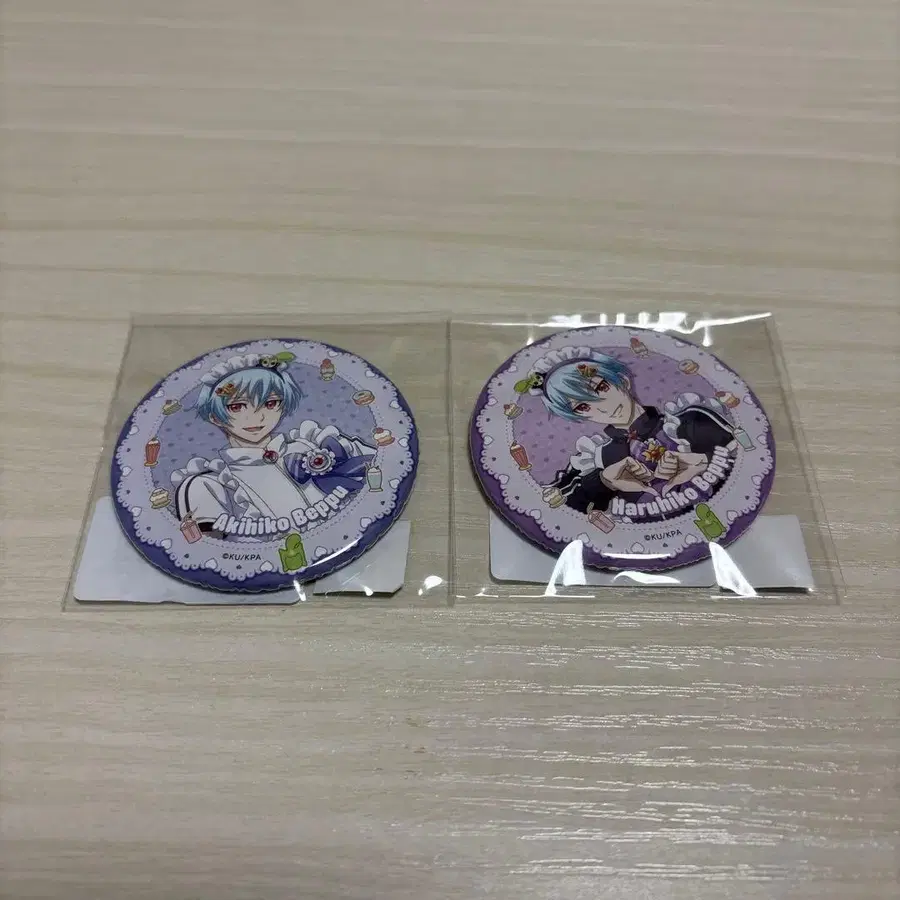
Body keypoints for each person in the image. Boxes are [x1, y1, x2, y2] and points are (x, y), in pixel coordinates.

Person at [171, 353, 375, 535]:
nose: (257, 417)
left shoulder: (313, 445)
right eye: (237, 406)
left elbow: (382, 467)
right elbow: (210, 550)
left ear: (282, 407)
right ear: (215, 417)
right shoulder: (211, 484)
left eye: (270, 404)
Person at [521, 345, 736, 516]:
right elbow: (551, 507)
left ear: (623, 382)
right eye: (583, 407)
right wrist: (604, 481)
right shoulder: (596, 458)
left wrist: (704, 461)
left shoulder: (689, 421)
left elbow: (746, 460)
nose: (603, 406)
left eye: (601, 388)